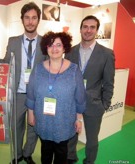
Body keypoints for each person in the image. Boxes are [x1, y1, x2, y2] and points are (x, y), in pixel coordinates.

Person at [0, 2, 46, 164]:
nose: (30, 21)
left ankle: (27, 153)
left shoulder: (46, 42)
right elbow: (5, 63)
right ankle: (17, 155)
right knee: (15, 127)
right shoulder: (13, 41)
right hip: (17, 94)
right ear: (22, 20)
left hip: (38, 95)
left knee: (34, 128)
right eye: (27, 18)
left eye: (34, 18)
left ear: (38, 20)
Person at [26, 31, 86, 164]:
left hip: (64, 121)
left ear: (64, 48)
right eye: (51, 45)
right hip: (43, 120)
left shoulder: (74, 70)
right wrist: (31, 114)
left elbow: (80, 97)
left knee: (61, 154)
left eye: (58, 45)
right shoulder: (38, 69)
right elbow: (31, 93)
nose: (55, 49)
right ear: (46, 48)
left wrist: (79, 119)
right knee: (45, 153)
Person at [65, 15, 115, 164]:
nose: (88, 30)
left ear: (97, 30)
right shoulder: (70, 52)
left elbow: (109, 82)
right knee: (71, 136)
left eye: (92, 27)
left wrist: (104, 105)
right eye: (85, 27)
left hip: (94, 104)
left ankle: (89, 162)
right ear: (80, 29)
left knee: (92, 140)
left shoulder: (106, 54)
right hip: (72, 103)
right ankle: (70, 157)